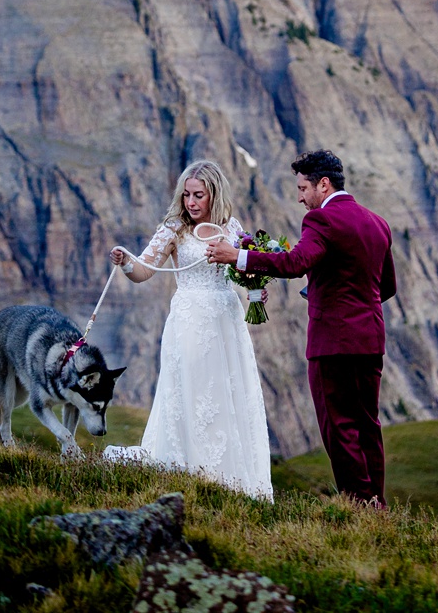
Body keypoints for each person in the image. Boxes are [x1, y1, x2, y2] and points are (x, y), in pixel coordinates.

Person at [207, 148, 396, 507]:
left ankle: (358, 505)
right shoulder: (378, 223)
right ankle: (377, 502)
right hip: (370, 338)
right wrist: (337, 295)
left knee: (339, 426)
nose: (300, 198)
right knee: (367, 424)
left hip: (333, 342)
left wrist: (238, 256)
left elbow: (296, 263)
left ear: (323, 185)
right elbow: (386, 286)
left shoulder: (322, 220)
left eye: (303, 188)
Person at [104, 159, 272, 500]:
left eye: (199, 195)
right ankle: (190, 469)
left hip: (227, 320)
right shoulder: (174, 229)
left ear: (215, 194)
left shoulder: (231, 227)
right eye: (186, 195)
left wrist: (255, 289)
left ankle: (231, 479)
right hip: (190, 321)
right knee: (192, 390)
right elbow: (144, 270)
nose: (191, 202)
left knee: (227, 391)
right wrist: (126, 263)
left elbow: (242, 272)